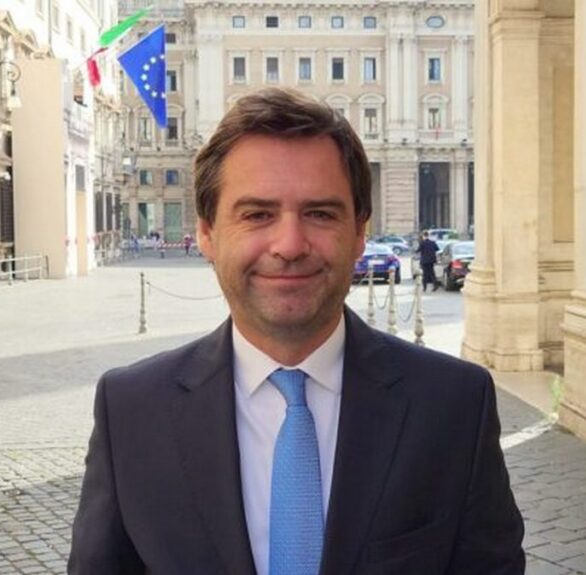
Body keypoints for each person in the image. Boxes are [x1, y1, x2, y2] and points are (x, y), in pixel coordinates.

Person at [69, 87, 524, 575]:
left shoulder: (455, 405)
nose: (289, 244)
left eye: (320, 214)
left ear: (359, 232)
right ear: (206, 233)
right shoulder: (131, 411)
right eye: (257, 215)